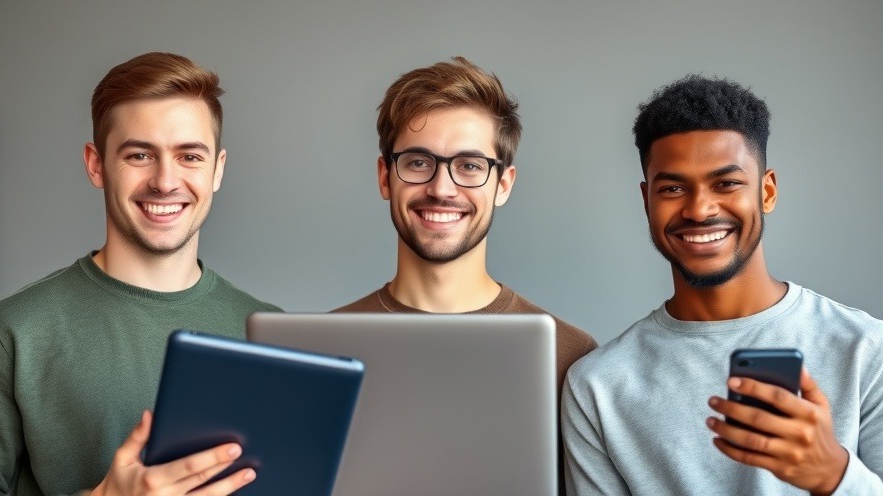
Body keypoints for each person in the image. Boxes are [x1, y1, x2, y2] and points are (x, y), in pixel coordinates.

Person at [561, 74, 883, 495]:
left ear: (766, 192)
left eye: (726, 183)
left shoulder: (865, 350)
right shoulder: (598, 386)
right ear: (646, 201)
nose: (699, 209)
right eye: (673, 188)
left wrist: (833, 476)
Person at [0, 52, 280, 495]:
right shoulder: (10, 333)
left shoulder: (270, 335)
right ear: (95, 164)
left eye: (189, 156)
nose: (165, 181)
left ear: (217, 169)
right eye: (140, 154)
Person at [334, 56, 597, 494]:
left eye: (470, 166)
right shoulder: (321, 351)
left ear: (504, 184)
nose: (441, 187)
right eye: (418, 162)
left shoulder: (571, 356)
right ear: (385, 177)